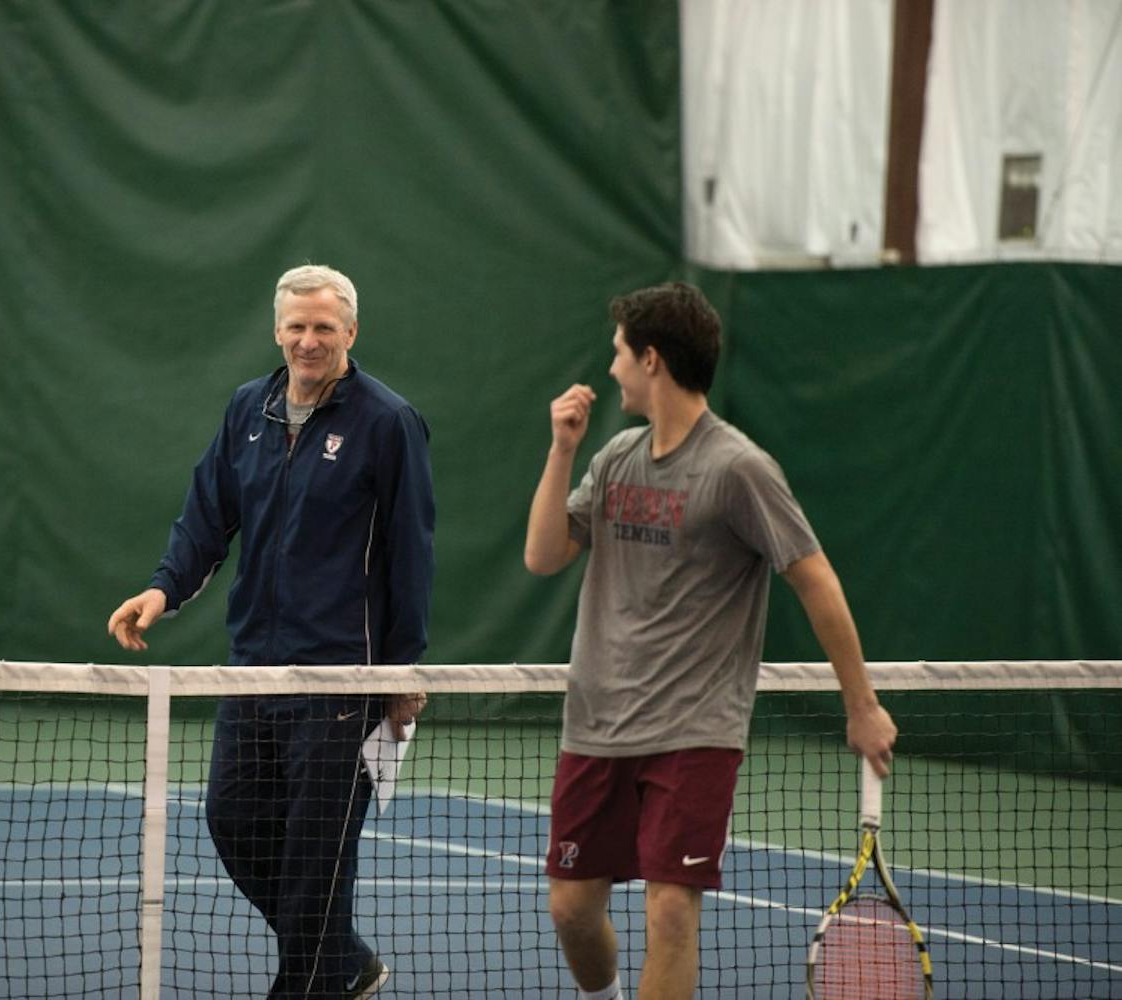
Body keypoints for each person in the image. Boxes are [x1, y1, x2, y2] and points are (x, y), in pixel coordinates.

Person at [523, 281, 898, 1000]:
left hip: (695, 729)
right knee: (571, 910)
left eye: (619, 354)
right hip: (596, 721)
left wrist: (861, 704)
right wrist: (562, 450)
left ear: (652, 360)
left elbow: (816, 581)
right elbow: (543, 556)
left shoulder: (739, 469)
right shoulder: (615, 459)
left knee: (669, 911)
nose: (611, 370)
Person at [108, 264, 435, 1000]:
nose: (308, 340)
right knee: (232, 821)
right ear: (277, 329)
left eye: (324, 327)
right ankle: (345, 959)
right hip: (252, 670)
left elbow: (410, 553)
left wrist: (403, 668)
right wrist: (162, 590)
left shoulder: (387, 423)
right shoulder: (246, 410)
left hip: (340, 682)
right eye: (297, 326)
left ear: (351, 332)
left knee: (318, 861)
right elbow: (207, 517)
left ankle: (312, 983)